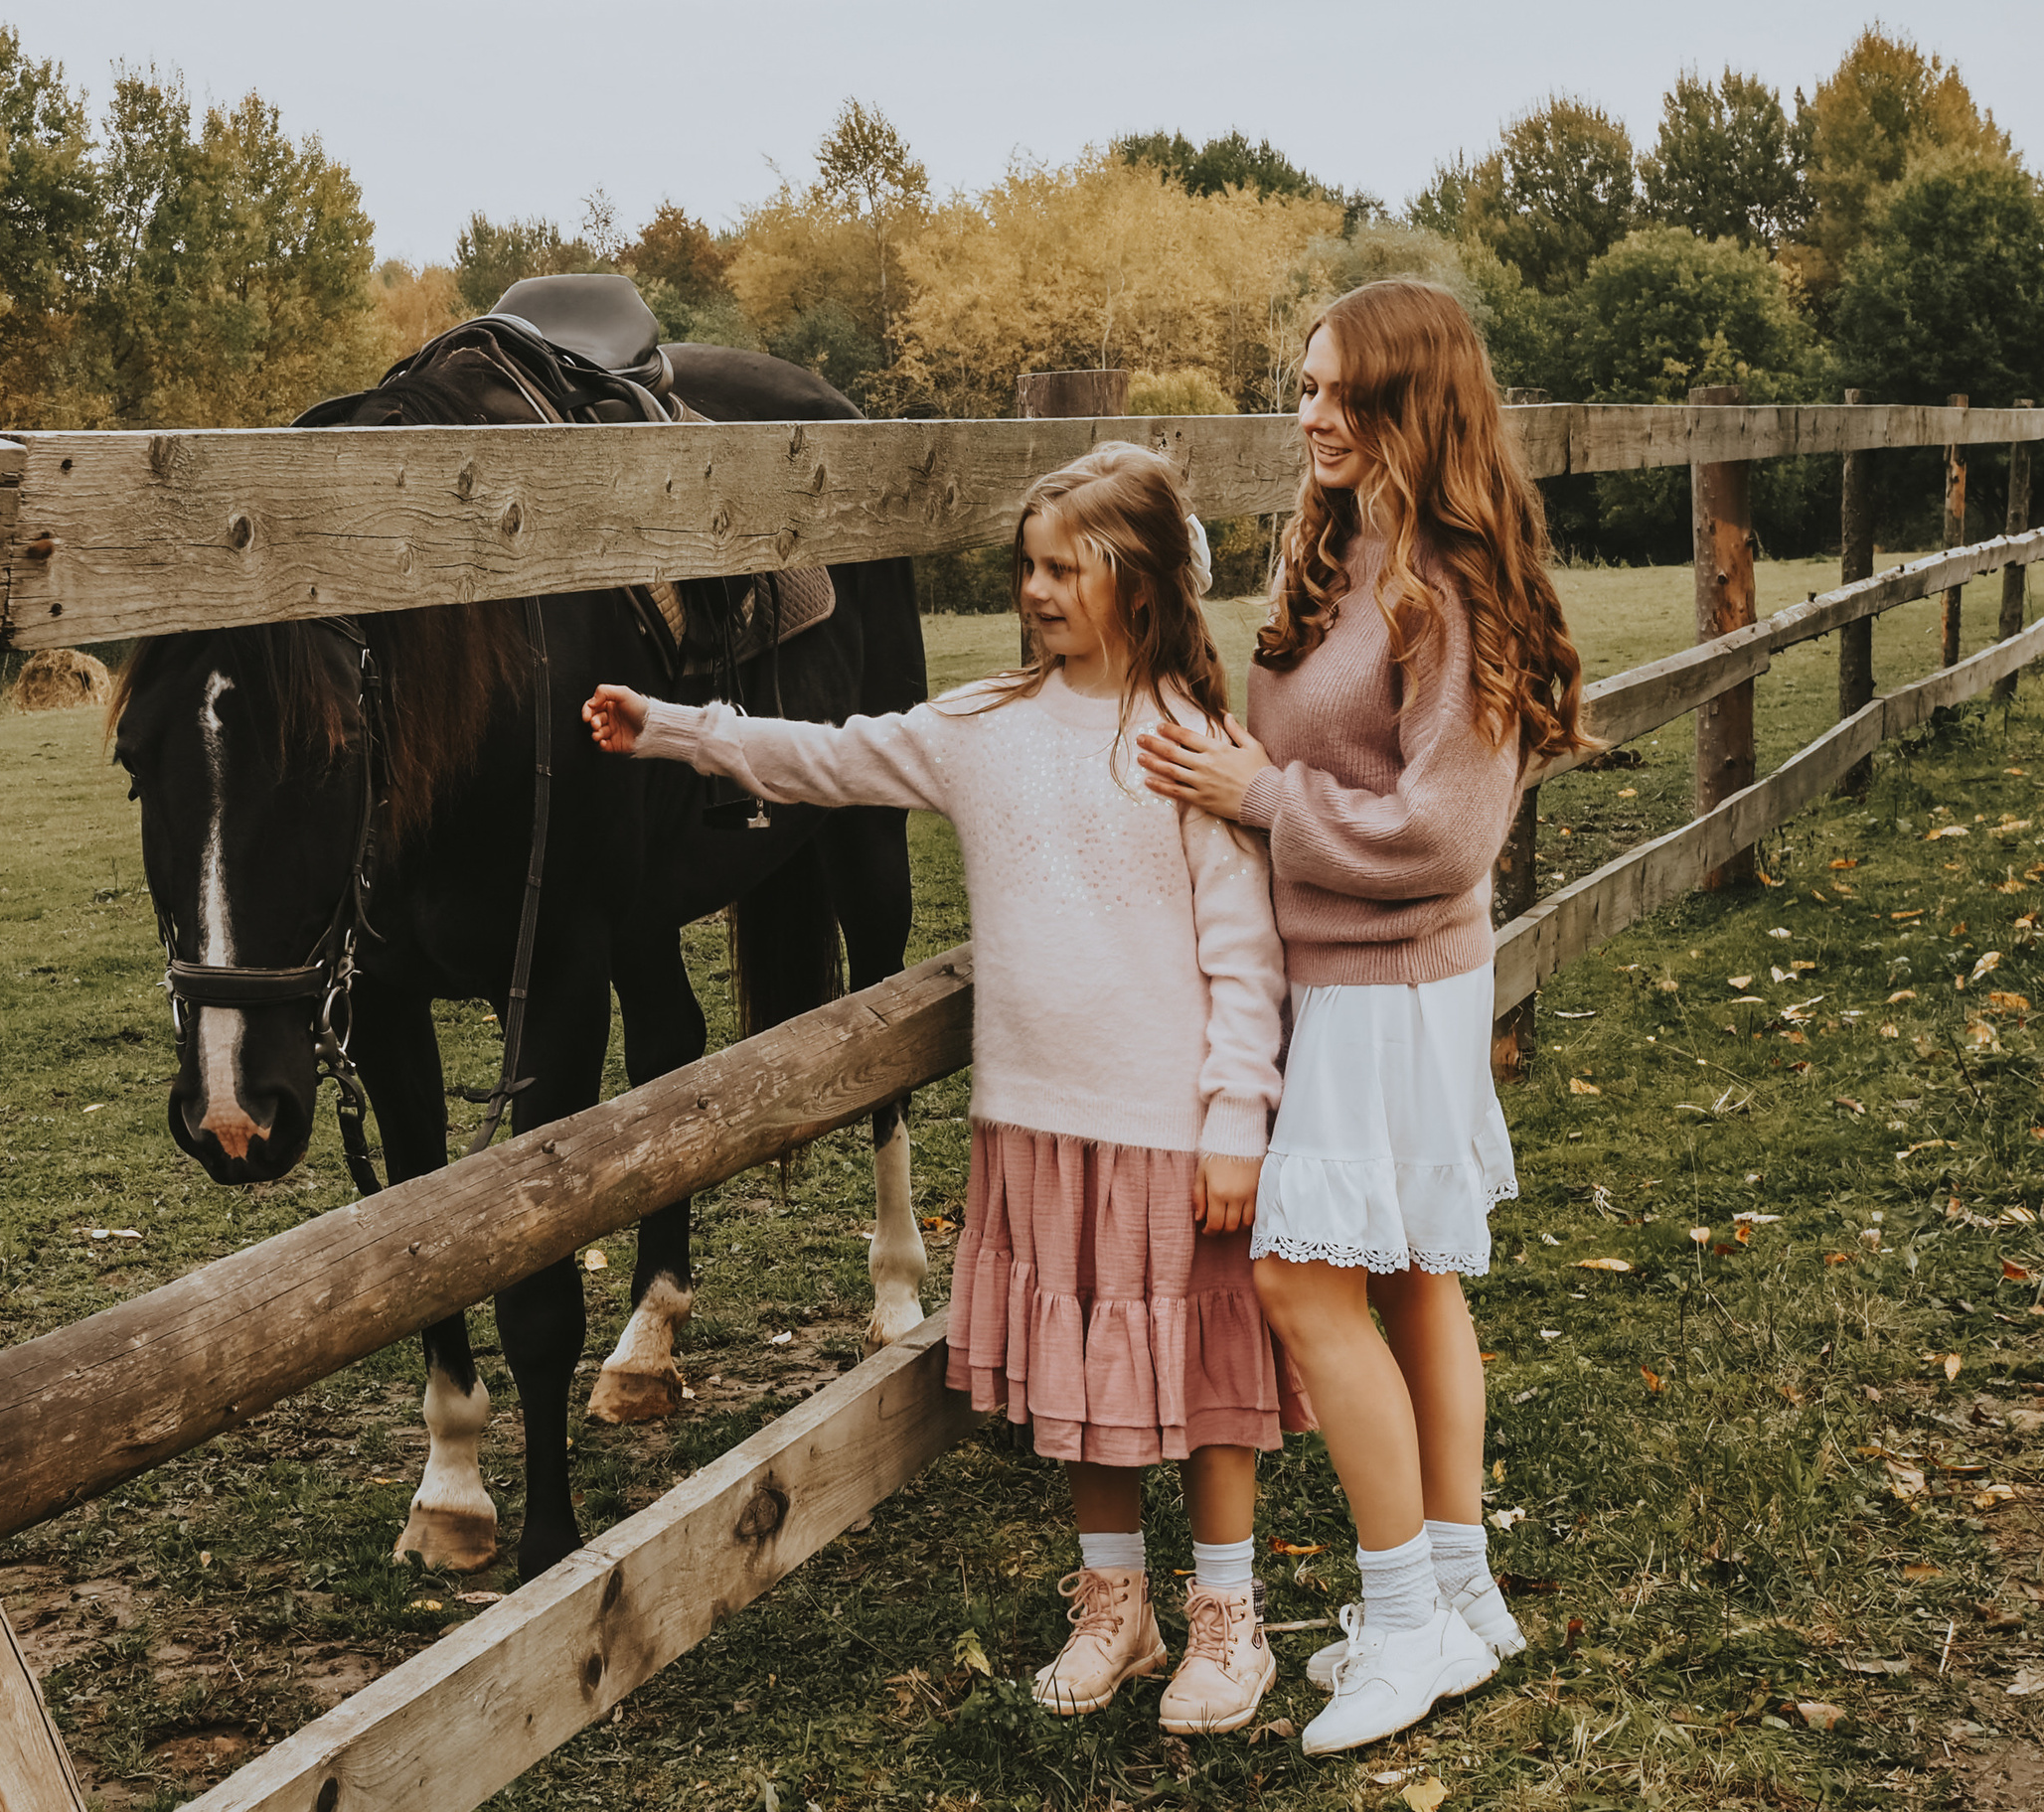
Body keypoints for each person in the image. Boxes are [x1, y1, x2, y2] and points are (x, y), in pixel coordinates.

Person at [583, 444, 1307, 1733]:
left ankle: (1227, 1623)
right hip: (1038, 1130)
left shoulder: (1189, 749)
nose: (1034, 590)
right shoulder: (984, 732)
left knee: (1198, 1390)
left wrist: (1236, 1120)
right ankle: (1115, 1608)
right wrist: (673, 730)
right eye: (1025, 567)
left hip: (1165, 1135)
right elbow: (830, 756)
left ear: (1138, 588)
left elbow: (1245, 956)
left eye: (1063, 570)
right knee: (1087, 1395)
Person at [1136, 279, 1588, 1754]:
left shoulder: (1445, 580)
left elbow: (1446, 833)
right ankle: (1456, 1591)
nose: (1314, 413)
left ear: (1418, 406)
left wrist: (1256, 797)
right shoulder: (1350, 549)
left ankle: (1399, 1627)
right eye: (1308, 385)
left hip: (1388, 980)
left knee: (1301, 1285)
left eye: (1347, 393)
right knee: (1413, 1280)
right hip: (1377, 975)